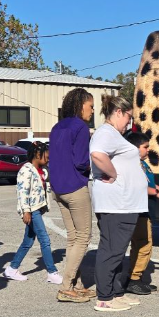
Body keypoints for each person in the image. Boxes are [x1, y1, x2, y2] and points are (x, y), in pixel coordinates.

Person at [89, 95, 147, 313]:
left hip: (124, 204)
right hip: (116, 204)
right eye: (128, 117)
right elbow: (97, 154)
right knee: (111, 250)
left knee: (117, 250)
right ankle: (104, 298)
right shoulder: (106, 132)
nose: (129, 123)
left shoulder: (113, 134)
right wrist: (113, 173)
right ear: (118, 112)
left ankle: (115, 292)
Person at [49, 88, 96, 303]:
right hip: (75, 187)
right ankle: (67, 287)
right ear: (80, 105)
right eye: (90, 106)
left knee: (73, 237)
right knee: (83, 237)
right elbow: (80, 161)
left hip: (58, 187)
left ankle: (76, 284)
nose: (92, 111)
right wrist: (93, 167)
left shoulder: (57, 126)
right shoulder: (81, 127)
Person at [4, 142, 62, 285]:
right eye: (46, 156)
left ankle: (12, 269)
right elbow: (22, 192)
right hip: (32, 210)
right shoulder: (26, 170)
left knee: (28, 241)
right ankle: (52, 272)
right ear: (37, 154)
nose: (48, 159)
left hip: (37, 209)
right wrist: (26, 211)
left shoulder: (40, 170)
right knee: (44, 240)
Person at [123, 132, 159, 295]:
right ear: (134, 148)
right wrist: (156, 193)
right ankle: (134, 280)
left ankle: (135, 277)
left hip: (145, 209)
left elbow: (147, 182)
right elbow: (136, 186)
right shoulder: (132, 165)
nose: (148, 150)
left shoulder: (142, 164)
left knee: (140, 244)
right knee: (144, 244)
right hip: (138, 210)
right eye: (145, 147)